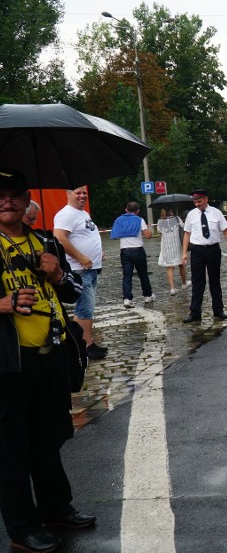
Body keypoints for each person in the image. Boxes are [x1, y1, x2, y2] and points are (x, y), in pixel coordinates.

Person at [0, 168, 95, 553]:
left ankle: (56, 508)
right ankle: (22, 527)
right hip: (8, 364)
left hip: (51, 356)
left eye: (14, 195)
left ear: (26, 202)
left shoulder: (44, 242)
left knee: (50, 439)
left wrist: (57, 276)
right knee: (12, 447)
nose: (6, 201)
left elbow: (74, 293)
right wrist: (2, 304)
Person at [53, 186, 107, 360]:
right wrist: (80, 256)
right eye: (78, 193)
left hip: (90, 268)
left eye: (84, 193)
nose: (82, 196)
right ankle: (86, 346)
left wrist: (98, 252)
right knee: (85, 308)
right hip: (79, 269)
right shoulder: (66, 214)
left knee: (85, 308)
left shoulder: (83, 213)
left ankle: (82, 342)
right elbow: (60, 237)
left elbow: (87, 234)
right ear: (69, 195)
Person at [180, 189, 227, 322]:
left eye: (199, 201)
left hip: (213, 249)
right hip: (197, 251)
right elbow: (187, 234)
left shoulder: (216, 213)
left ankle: (218, 310)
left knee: (215, 281)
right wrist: (184, 253)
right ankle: (195, 312)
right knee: (197, 282)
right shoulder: (191, 215)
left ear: (206, 199)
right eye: (195, 202)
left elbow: (226, 232)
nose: (197, 204)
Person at [110, 201, 154, 308]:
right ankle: (147, 295)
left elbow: (115, 235)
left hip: (125, 251)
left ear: (126, 210)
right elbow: (148, 235)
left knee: (127, 275)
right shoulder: (140, 220)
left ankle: (127, 299)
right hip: (138, 250)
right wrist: (149, 231)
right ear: (137, 211)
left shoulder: (119, 220)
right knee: (143, 274)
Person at [156, 208, 189, 294]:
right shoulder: (177, 218)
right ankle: (184, 283)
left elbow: (159, 231)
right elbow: (184, 227)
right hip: (177, 245)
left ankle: (172, 288)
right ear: (171, 210)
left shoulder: (160, 221)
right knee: (181, 265)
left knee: (169, 267)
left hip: (166, 246)